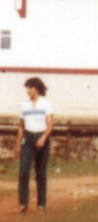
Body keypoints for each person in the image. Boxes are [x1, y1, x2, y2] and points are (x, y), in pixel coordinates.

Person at [15, 77, 54, 213]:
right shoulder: (24, 106)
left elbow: (50, 125)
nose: (27, 91)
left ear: (36, 89)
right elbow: (21, 126)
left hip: (41, 137)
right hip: (28, 138)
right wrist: (18, 144)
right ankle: (23, 204)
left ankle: (41, 204)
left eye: (29, 88)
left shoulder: (46, 104)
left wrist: (43, 138)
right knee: (24, 171)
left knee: (40, 173)